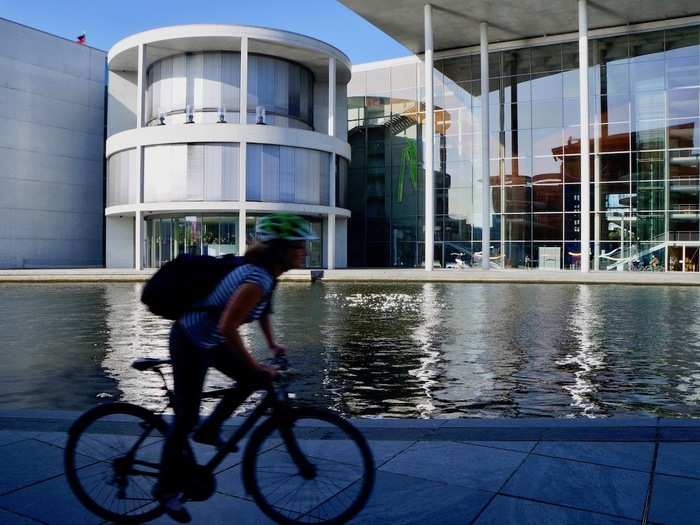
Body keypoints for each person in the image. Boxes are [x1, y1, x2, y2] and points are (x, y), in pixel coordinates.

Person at [155, 214, 317, 522]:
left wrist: (272, 345)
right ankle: (165, 489)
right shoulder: (256, 279)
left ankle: (210, 429)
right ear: (280, 249)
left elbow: (262, 311)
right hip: (191, 338)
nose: (304, 251)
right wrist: (256, 363)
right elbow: (229, 325)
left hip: (210, 337)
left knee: (251, 379)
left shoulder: (267, 275)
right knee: (186, 417)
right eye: (299, 246)